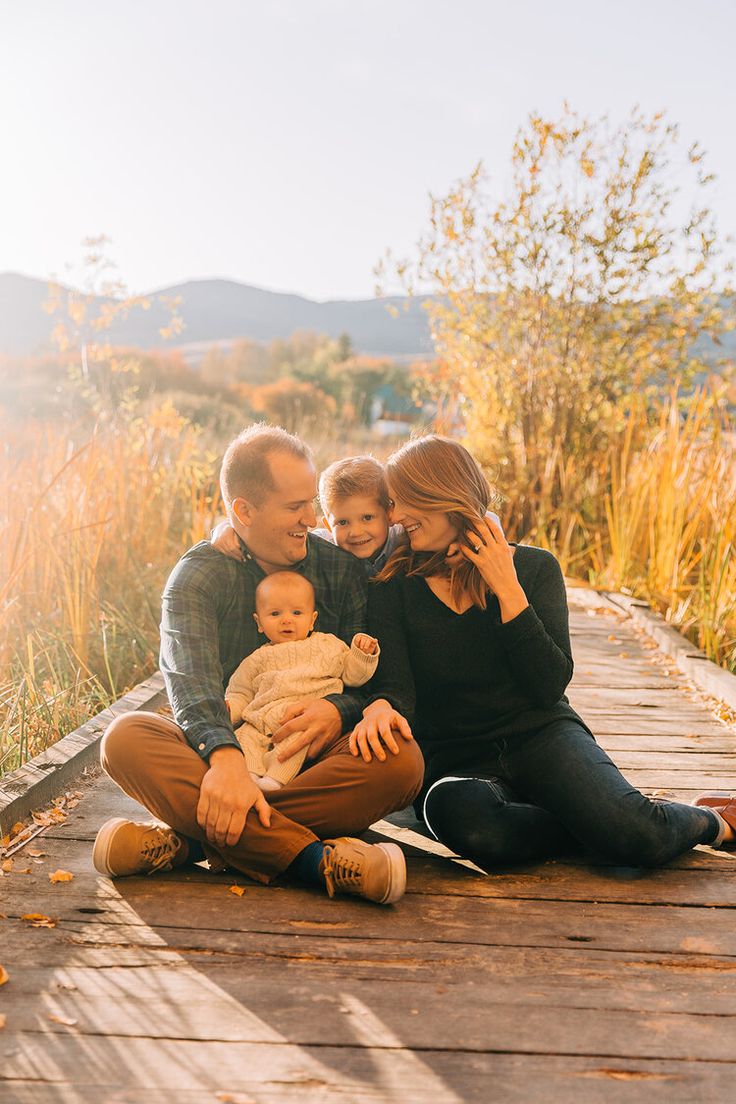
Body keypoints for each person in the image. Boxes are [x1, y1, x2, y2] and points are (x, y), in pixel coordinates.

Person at [350, 434, 735, 869]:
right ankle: (597, 820)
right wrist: (380, 705)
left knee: (637, 838)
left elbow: (548, 685)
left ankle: (710, 820)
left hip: (542, 736)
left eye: (403, 501)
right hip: (454, 758)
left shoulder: (535, 568)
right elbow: (397, 686)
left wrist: (506, 585)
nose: (395, 517)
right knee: (461, 818)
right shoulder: (392, 584)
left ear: (441, 494)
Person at [92, 424, 423, 906]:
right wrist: (225, 764)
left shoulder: (341, 569)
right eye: (296, 507)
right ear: (243, 511)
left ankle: (190, 840)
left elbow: (366, 680)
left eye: (312, 503)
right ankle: (316, 862)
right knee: (124, 738)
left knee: (401, 761)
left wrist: (338, 710)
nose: (313, 519)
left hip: (313, 757)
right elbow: (191, 686)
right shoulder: (198, 577)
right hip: (229, 747)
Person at [227, 571, 379, 790]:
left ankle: (274, 781)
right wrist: (229, 709)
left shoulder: (329, 645)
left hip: (304, 718)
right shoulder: (256, 658)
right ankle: (249, 775)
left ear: (312, 620)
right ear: (259, 622)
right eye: (275, 613)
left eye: (297, 612)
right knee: (244, 736)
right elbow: (240, 693)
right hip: (261, 719)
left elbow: (354, 677)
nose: (287, 619)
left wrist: (362, 652)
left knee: (298, 739)